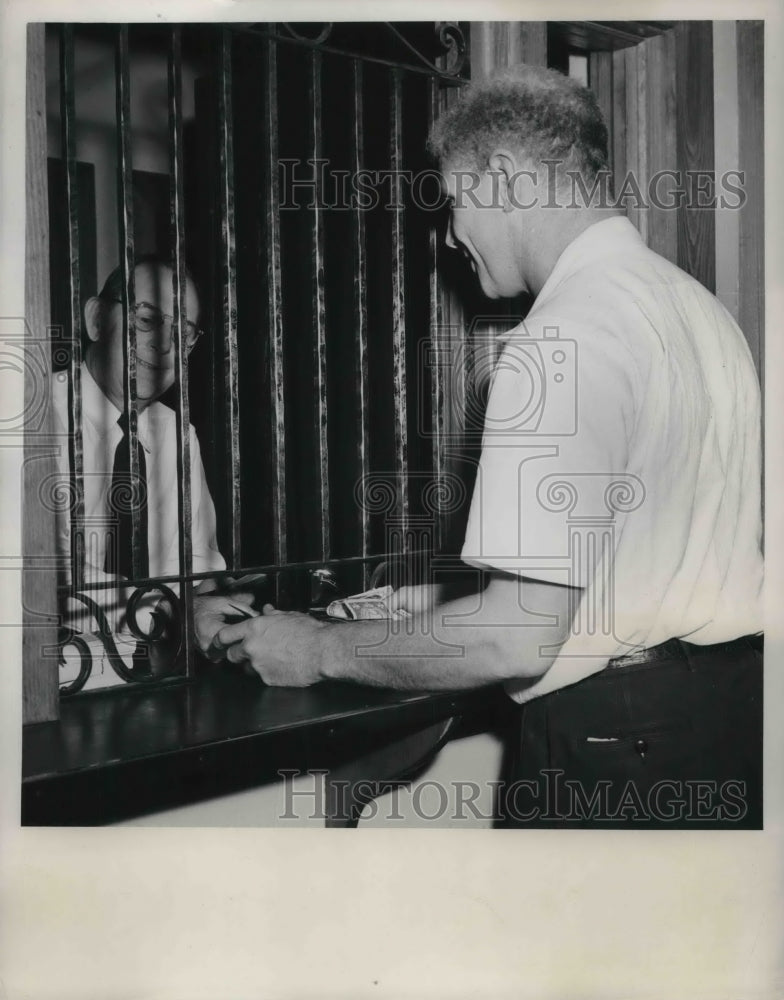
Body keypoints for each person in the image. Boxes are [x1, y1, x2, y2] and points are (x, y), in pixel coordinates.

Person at [194, 65, 763, 828]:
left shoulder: (557, 340)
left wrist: (319, 649)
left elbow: (516, 639)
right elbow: (632, 554)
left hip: (614, 742)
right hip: (733, 721)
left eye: (454, 201)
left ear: (502, 178)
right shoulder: (704, 314)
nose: (452, 235)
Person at [53, 255, 225, 688]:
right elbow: (50, 581)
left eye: (182, 333)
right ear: (96, 319)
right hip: (50, 687)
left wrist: (207, 606)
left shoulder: (178, 434)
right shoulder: (33, 420)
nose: (164, 346)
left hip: (160, 686)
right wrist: (168, 609)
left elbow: (200, 570)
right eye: (147, 320)